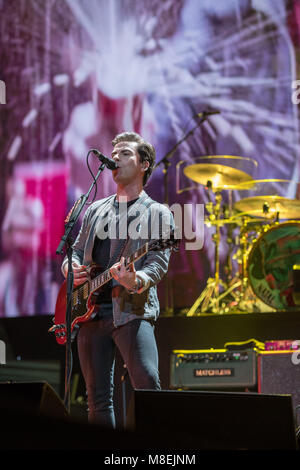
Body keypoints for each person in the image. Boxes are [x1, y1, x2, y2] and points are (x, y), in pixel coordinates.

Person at [61, 131, 174, 428]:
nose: (115, 158)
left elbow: (157, 265)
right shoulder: (95, 209)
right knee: (97, 399)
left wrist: (134, 280)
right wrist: (69, 269)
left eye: (125, 153)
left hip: (132, 310)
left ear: (144, 164)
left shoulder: (157, 213)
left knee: (147, 385)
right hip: (89, 314)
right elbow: (74, 254)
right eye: (114, 154)